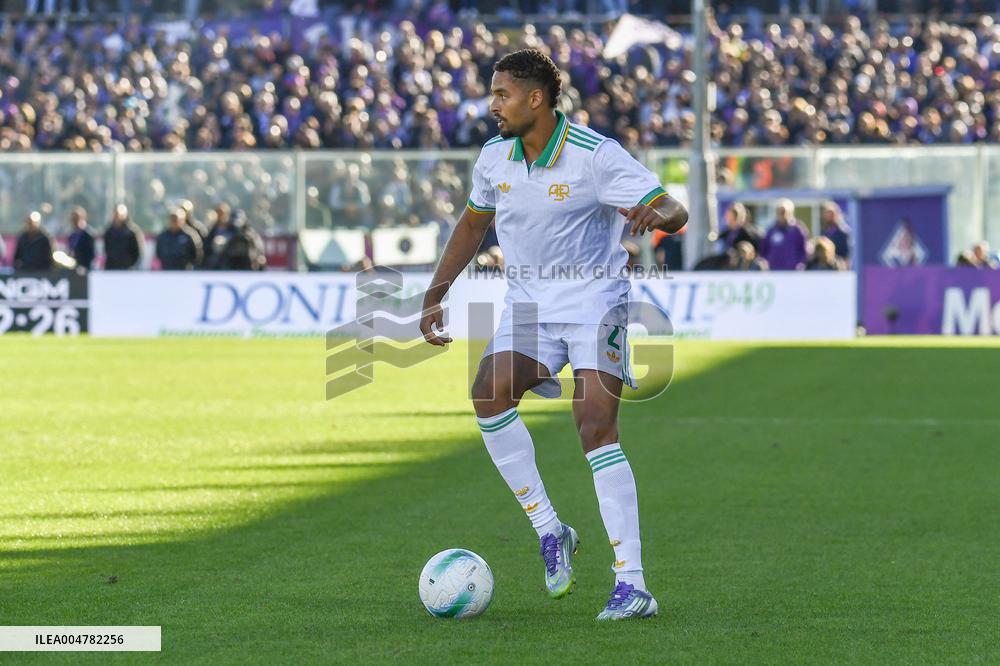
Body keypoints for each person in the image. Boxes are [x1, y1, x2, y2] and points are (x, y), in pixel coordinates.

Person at [419, 49, 687, 621]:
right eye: (493, 94)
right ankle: (550, 530)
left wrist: (658, 214)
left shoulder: (595, 154)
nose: (493, 105)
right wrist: (435, 292)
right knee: (488, 393)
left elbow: (672, 206)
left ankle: (632, 584)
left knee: (595, 427)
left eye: (503, 94)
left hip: (595, 303)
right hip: (529, 307)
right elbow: (472, 224)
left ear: (536, 98)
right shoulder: (494, 157)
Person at [759, 198, 808, 270]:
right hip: (773, 270)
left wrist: (800, 264)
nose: (782, 215)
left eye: (784, 212)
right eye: (779, 212)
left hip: (792, 271)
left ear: (790, 212)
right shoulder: (771, 231)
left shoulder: (798, 230)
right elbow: (764, 250)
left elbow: (804, 250)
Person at [103, 204, 145, 270]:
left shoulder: (132, 231)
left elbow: (137, 252)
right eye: (116, 214)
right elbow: (107, 250)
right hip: (111, 268)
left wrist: (131, 265)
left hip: (127, 269)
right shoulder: (109, 232)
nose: (117, 217)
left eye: (119, 215)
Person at [67, 206, 95, 271]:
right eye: (73, 219)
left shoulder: (89, 234)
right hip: (73, 268)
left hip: (85, 269)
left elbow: (91, 254)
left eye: (76, 219)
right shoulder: (71, 235)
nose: (74, 222)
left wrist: (85, 267)